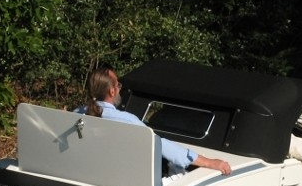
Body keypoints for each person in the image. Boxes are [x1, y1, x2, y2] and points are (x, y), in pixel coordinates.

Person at [82, 64, 232, 176]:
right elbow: (160, 145)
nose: (120, 88)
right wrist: (209, 162)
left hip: (93, 170)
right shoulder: (125, 120)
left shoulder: (77, 114)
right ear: (112, 91)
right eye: (118, 85)